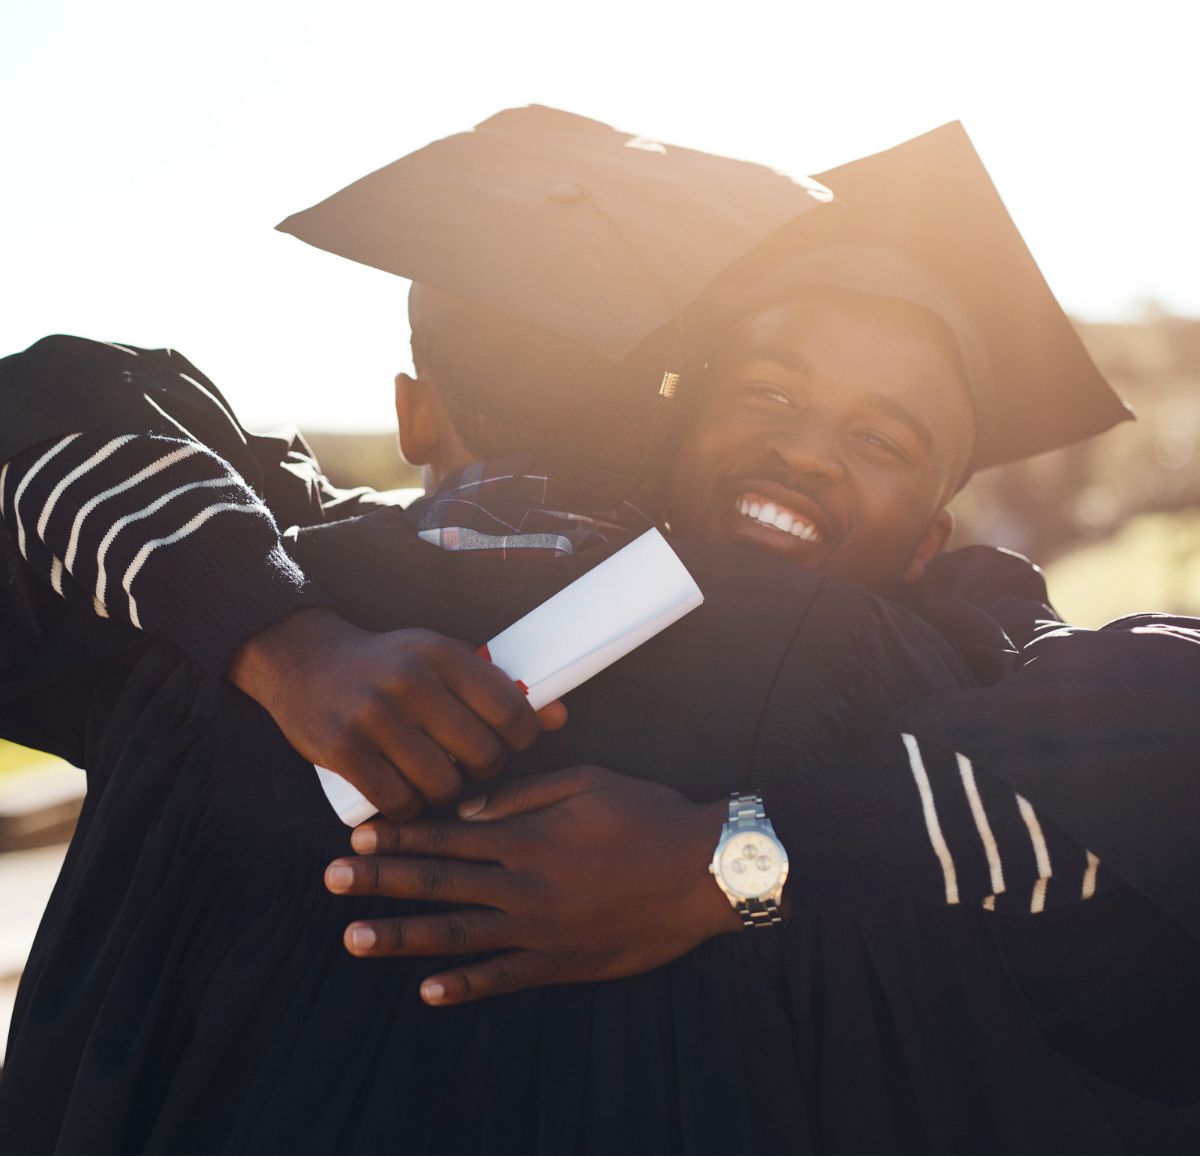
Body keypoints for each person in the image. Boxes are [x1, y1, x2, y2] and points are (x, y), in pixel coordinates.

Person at [2, 111, 1197, 1152]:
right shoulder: (279, 587)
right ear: (669, 427)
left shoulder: (940, 661)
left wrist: (726, 862)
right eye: (770, 392)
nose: (806, 447)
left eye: (885, 441)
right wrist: (282, 638)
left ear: (935, 539)